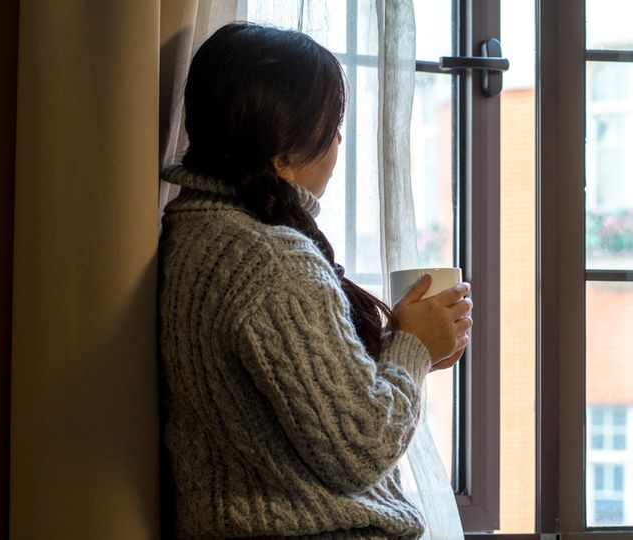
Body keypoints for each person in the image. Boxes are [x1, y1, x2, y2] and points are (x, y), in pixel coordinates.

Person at [159, 22, 472, 539]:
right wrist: (412, 348)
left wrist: (408, 350)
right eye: (331, 127)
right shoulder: (273, 259)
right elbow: (358, 449)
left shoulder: (196, 227)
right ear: (281, 153)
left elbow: (297, 408)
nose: (339, 141)